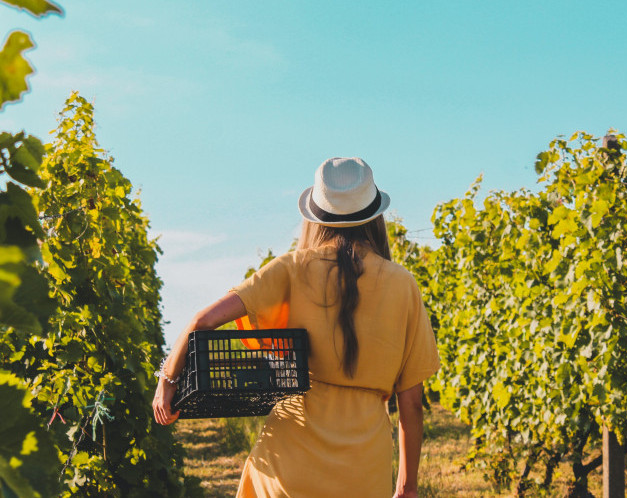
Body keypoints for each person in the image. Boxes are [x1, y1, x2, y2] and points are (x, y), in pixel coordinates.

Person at [153, 157, 440, 497]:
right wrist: (407, 487)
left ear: (317, 215)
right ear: (374, 216)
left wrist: (167, 381)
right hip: (363, 465)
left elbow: (203, 321)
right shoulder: (403, 284)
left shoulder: (291, 268)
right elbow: (411, 402)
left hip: (290, 457)